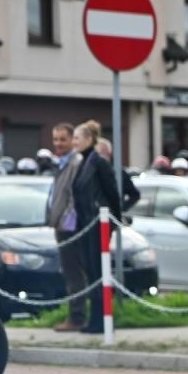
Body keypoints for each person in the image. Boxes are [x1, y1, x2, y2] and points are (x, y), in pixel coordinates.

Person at [69, 120, 134, 334]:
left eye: (77, 137)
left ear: (89, 139)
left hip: (97, 224)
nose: (74, 141)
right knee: (91, 270)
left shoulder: (98, 163)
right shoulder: (84, 162)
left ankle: (102, 319)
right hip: (86, 224)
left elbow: (112, 193)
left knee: (98, 271)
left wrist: (114, 219)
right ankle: (95, 318)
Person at [44, 122, 86, 332]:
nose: (58, 144)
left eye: (63, 139)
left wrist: (66, 224)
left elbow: (72, 198)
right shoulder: (61, 163)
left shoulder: (75, 163)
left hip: (70, 228)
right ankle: (75, 314)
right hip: (61, 225)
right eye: (55, 139)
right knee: (70, 272)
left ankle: (77, 317)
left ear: (72, 140)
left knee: (74, 273)